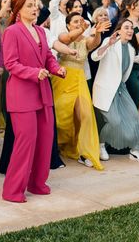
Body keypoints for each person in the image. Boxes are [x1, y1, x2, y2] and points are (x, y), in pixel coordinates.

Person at [1, 0, 66, 203]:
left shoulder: (40, 30)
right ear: (18, 9)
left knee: (46, 140)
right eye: (29, 6)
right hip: (22, 94)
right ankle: (12, 190)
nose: (34, 9)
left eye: (35, 5)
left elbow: (47, 57)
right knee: (26, 141)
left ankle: (37, 183)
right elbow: (11, 64)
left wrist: (57, 69)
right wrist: (33, 73)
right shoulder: (12, 32)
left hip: (43, 92)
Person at [91, 19, 139, 162]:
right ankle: (101, 144)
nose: (130, 31)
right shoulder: (109, 42)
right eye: (126, 28)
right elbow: (95, 56)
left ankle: (135, 150)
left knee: (134, 116)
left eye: (131, 28)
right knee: (114, 121)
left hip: (121, 88)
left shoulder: (130, 47)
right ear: (119, 30)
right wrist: (107, 44)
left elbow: (133, 59)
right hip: (107, 87)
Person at [55, 12, 109, 169]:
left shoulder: (86, 40)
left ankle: (82, 150)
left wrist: (98, 32)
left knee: (83, 115)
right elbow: (66, 40)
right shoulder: (63, 35)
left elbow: (94, 43)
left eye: (81, 21)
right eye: (75, 21)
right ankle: (57, 143)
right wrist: (82, 28)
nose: (79, 23)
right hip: (63, 79)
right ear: (68, 25)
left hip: (79, 80)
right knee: (60, 115)